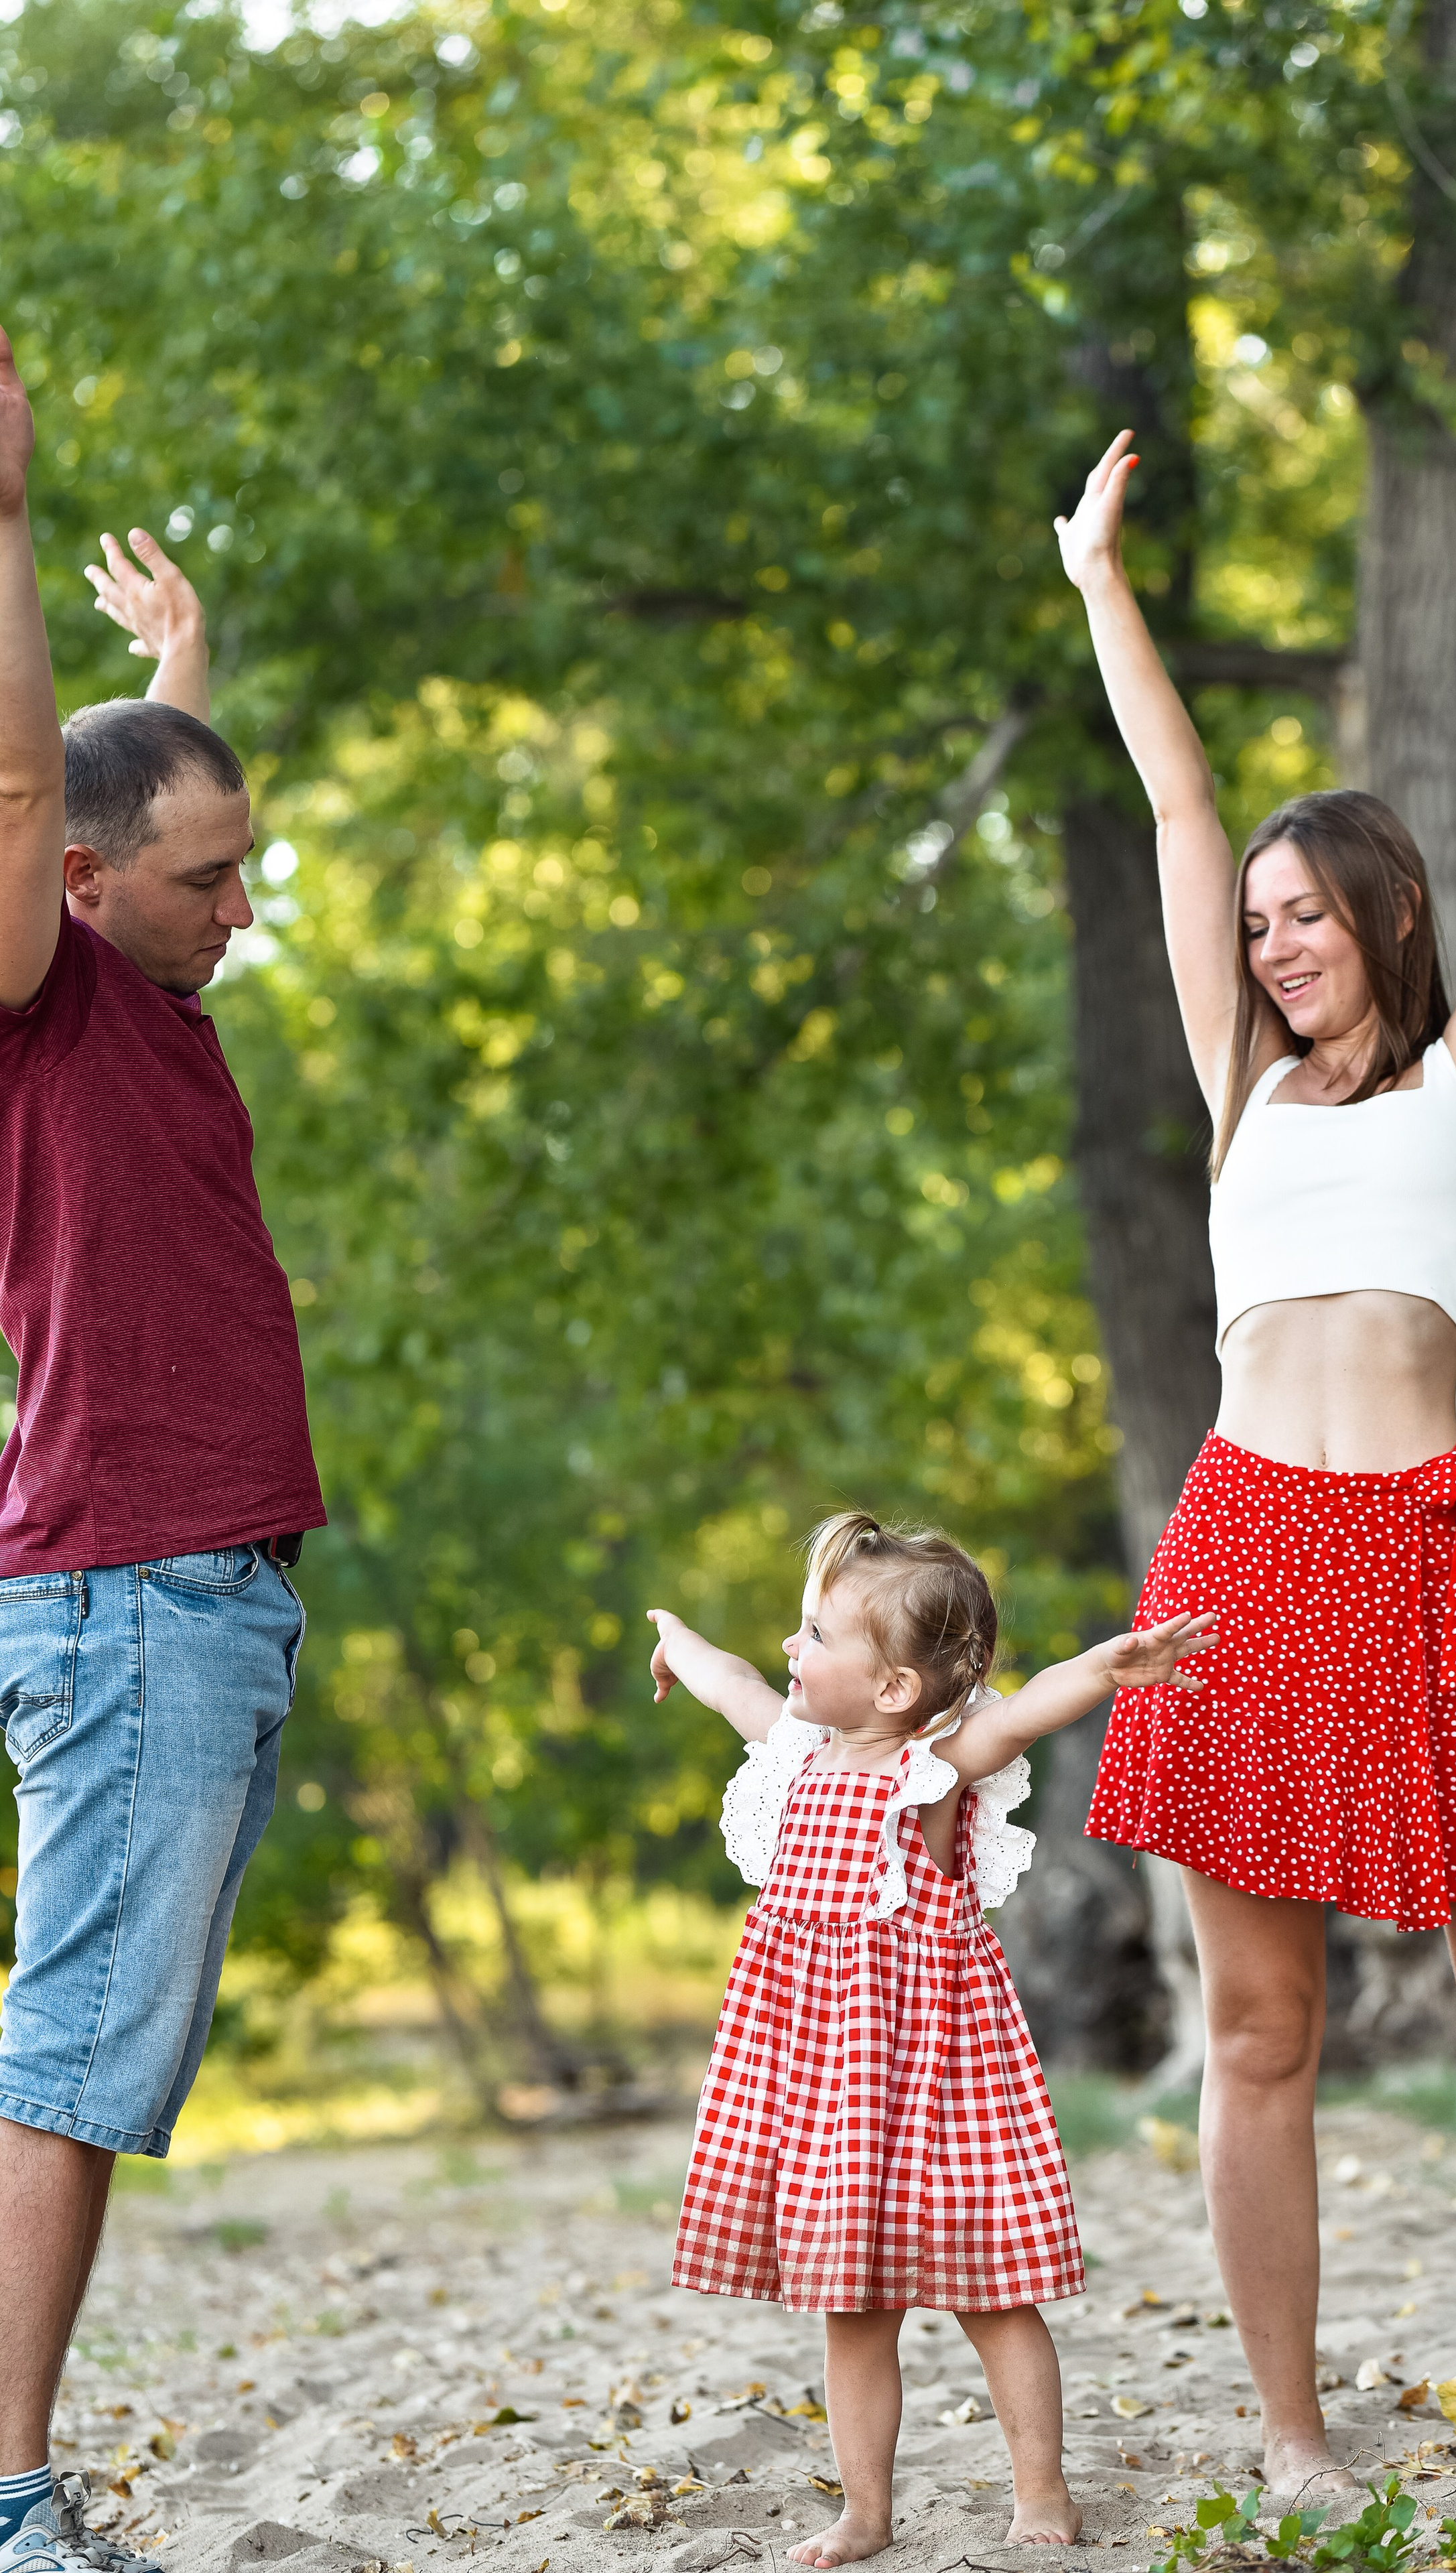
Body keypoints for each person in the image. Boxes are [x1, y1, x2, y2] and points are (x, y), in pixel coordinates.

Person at [1051, 397, 1456, 2496]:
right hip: (1247, 1560)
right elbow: (1170, 796)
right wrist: (1100, 588)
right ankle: (1294, 2431)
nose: (1274, 944)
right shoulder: (1239, 1090)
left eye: (1309, 915)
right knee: (1262, 2034)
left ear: (1388, 919)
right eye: (1258, 926)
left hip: (1431, 1554)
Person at [0, 326, 324, 2573]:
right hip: (128, 1586)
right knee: (77, 2061)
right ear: (92, 884)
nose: (243, 907)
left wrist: (183, 661)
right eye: (206, 877)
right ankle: (8, 2488)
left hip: (196, 1585)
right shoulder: (37, 988)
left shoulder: (151, 965)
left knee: (106, 2060)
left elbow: (118, 791)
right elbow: (35, 801)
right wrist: (4, 521)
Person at [647, 1512, 1215, 2568]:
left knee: (993, 2295)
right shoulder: (795, 1753)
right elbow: (731, 1681)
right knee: (851, 2309)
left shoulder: (935, 1772)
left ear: (896, 1690)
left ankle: (1041, 2492)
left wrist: (1105, 1666)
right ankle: (865, 2511)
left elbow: (1030, 1713)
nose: (790, 1649)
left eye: (816, 1636)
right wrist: (677, 1643)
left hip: (936, 2076)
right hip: (823, 2085)